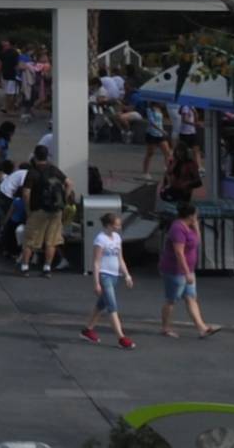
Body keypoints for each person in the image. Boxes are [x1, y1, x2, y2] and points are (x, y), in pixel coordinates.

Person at [158, 200, 221, 338]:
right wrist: (187, 273)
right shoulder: (177, 228)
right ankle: (166, 328)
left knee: (191, 297)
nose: (197, 217)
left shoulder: (190, 227)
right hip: (175, 270)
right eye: (196, 215)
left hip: (188, 270)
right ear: (190, 215)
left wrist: (196, 226)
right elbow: (179, 252)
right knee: (171, 300)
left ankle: (202, 328)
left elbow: (196, 241)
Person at [81, 211, 136, 348]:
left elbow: (120, 258)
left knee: (101, 305)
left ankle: (88, 329)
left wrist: (127, 275)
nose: (119, 227)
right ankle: (121, 337)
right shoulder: (100, 239)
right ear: (109, 225)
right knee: (112, 306)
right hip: (104, 275)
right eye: (117, 225)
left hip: (114, 275)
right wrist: (96, 282)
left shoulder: (117, 238)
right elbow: (96, 262)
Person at [19, 146, 72, 275]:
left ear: (35, 156)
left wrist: (28, 210)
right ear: (47, 156)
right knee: (51, 241)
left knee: (29, 241)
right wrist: (63, 200)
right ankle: (47, 268)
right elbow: (69, 183)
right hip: (55, 210)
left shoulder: (32, 172)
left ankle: (25, 267)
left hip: (38, 210)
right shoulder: (54, 169)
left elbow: (26, 193)